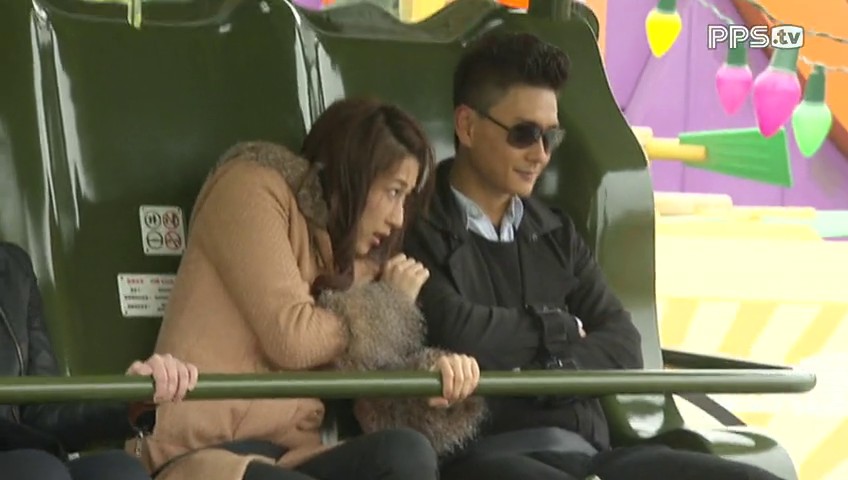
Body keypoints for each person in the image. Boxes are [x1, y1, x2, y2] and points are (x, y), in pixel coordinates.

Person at [403, 31, 785, 480]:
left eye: (550, 136)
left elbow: (623, 342)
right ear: (467, 126)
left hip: (589, 452)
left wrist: (544, 368)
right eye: (524, 134)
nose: (540, 154)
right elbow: (458, 329)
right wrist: (562, 328)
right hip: (485, 458)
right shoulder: (416, 228)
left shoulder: (556, 233)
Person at [139, 97, 482, 480]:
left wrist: (431, 382)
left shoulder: (348, 256)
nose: (399, 217)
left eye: (406, 198)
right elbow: (291, 338)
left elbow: (372, 405)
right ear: (354, 176)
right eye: (393, 192)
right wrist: (387, 302)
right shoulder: (249, 187)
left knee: (407, 452)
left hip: (291, 457)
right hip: (200, 457)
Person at [0, 241, 199, 480]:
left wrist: (129, 402)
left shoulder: (13, 268)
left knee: (120, 472)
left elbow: (41, 412)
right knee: (41, 472)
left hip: (23, 454)